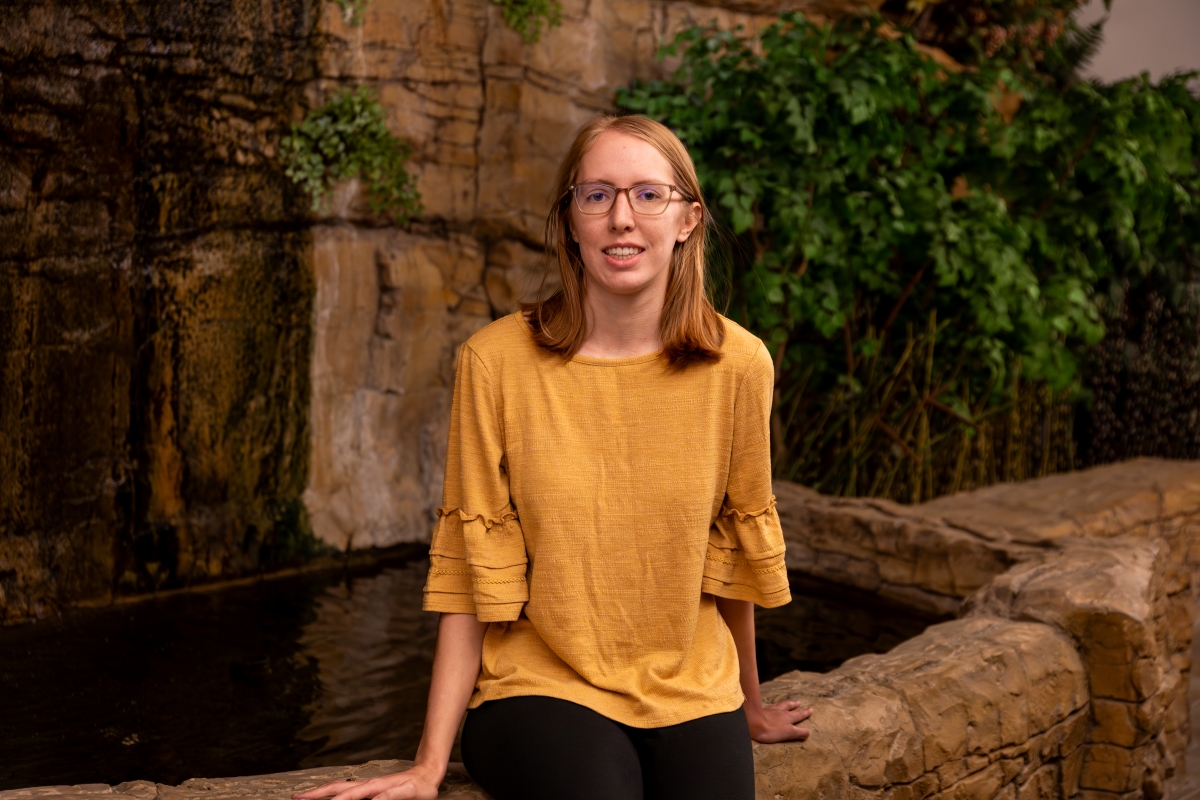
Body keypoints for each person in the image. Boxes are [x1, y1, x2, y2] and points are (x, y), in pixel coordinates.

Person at [293, 114, 812, 800]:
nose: (621, 217)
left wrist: (749, 703)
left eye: (647, 194)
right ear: (571, 220)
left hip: (690, 686)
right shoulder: (495, 363)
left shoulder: (739, 365)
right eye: (597, 195)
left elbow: (731, 556)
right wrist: (426, 766)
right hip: (539, 688)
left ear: (688, 219)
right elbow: (471, 572)